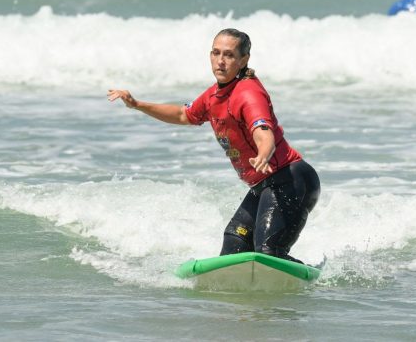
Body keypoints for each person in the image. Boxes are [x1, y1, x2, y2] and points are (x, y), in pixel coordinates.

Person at [107, 28, 320, 263]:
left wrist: (264, 153)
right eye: (215, 53)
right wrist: (137, 104)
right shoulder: (214, 96)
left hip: (291, 181)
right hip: (265, 185)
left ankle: (312, 285)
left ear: (243, 60)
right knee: (234, 243)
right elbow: (182, 115)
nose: (220, 61)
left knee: (268, 252)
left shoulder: (248, 94)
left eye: (228, 55)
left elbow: (263, 131)